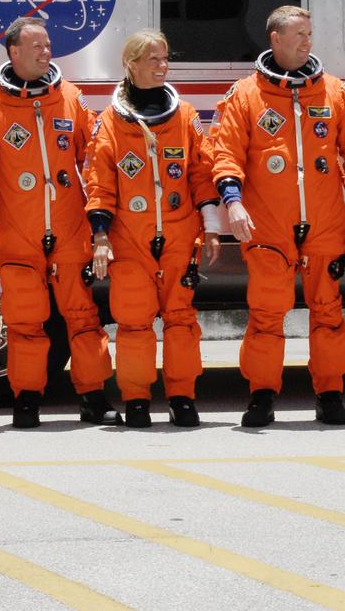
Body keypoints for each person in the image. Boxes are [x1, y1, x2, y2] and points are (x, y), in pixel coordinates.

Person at [209, 6, 345, 427]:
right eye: (299, 34)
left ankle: (331, 394)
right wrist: (233, 202)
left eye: (310, 34)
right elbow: (224, 153)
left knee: (328, 311)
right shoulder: (245, 95)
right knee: (265, 313)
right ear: (275, 40)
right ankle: (262, 395)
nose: (307, 41)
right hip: (267, 223)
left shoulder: (334, 92)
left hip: (324, 223)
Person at [0, 17, 119, 428]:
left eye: (48, 44)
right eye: (37, 46)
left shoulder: (69, 97)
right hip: (18, 232)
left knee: (83, 317)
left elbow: (97, 155)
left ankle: (94, 397)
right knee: (25, 321)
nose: (46, 51)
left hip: (68, 229)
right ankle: (27, 398)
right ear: (14, 53)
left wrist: (101, 219)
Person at [84, 29, 220, 428]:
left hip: (179, 235)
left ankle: (181, 396)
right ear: (131, 65)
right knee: (134, 323)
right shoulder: (109, 124)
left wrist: (211, 226)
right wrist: (101, 238)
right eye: (154, 59)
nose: (163, 66)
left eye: (165, 59)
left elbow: (201, 174)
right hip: (130, 238)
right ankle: (137, 399)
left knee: (180, 320)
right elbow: (99, 184)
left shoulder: (185, 116)